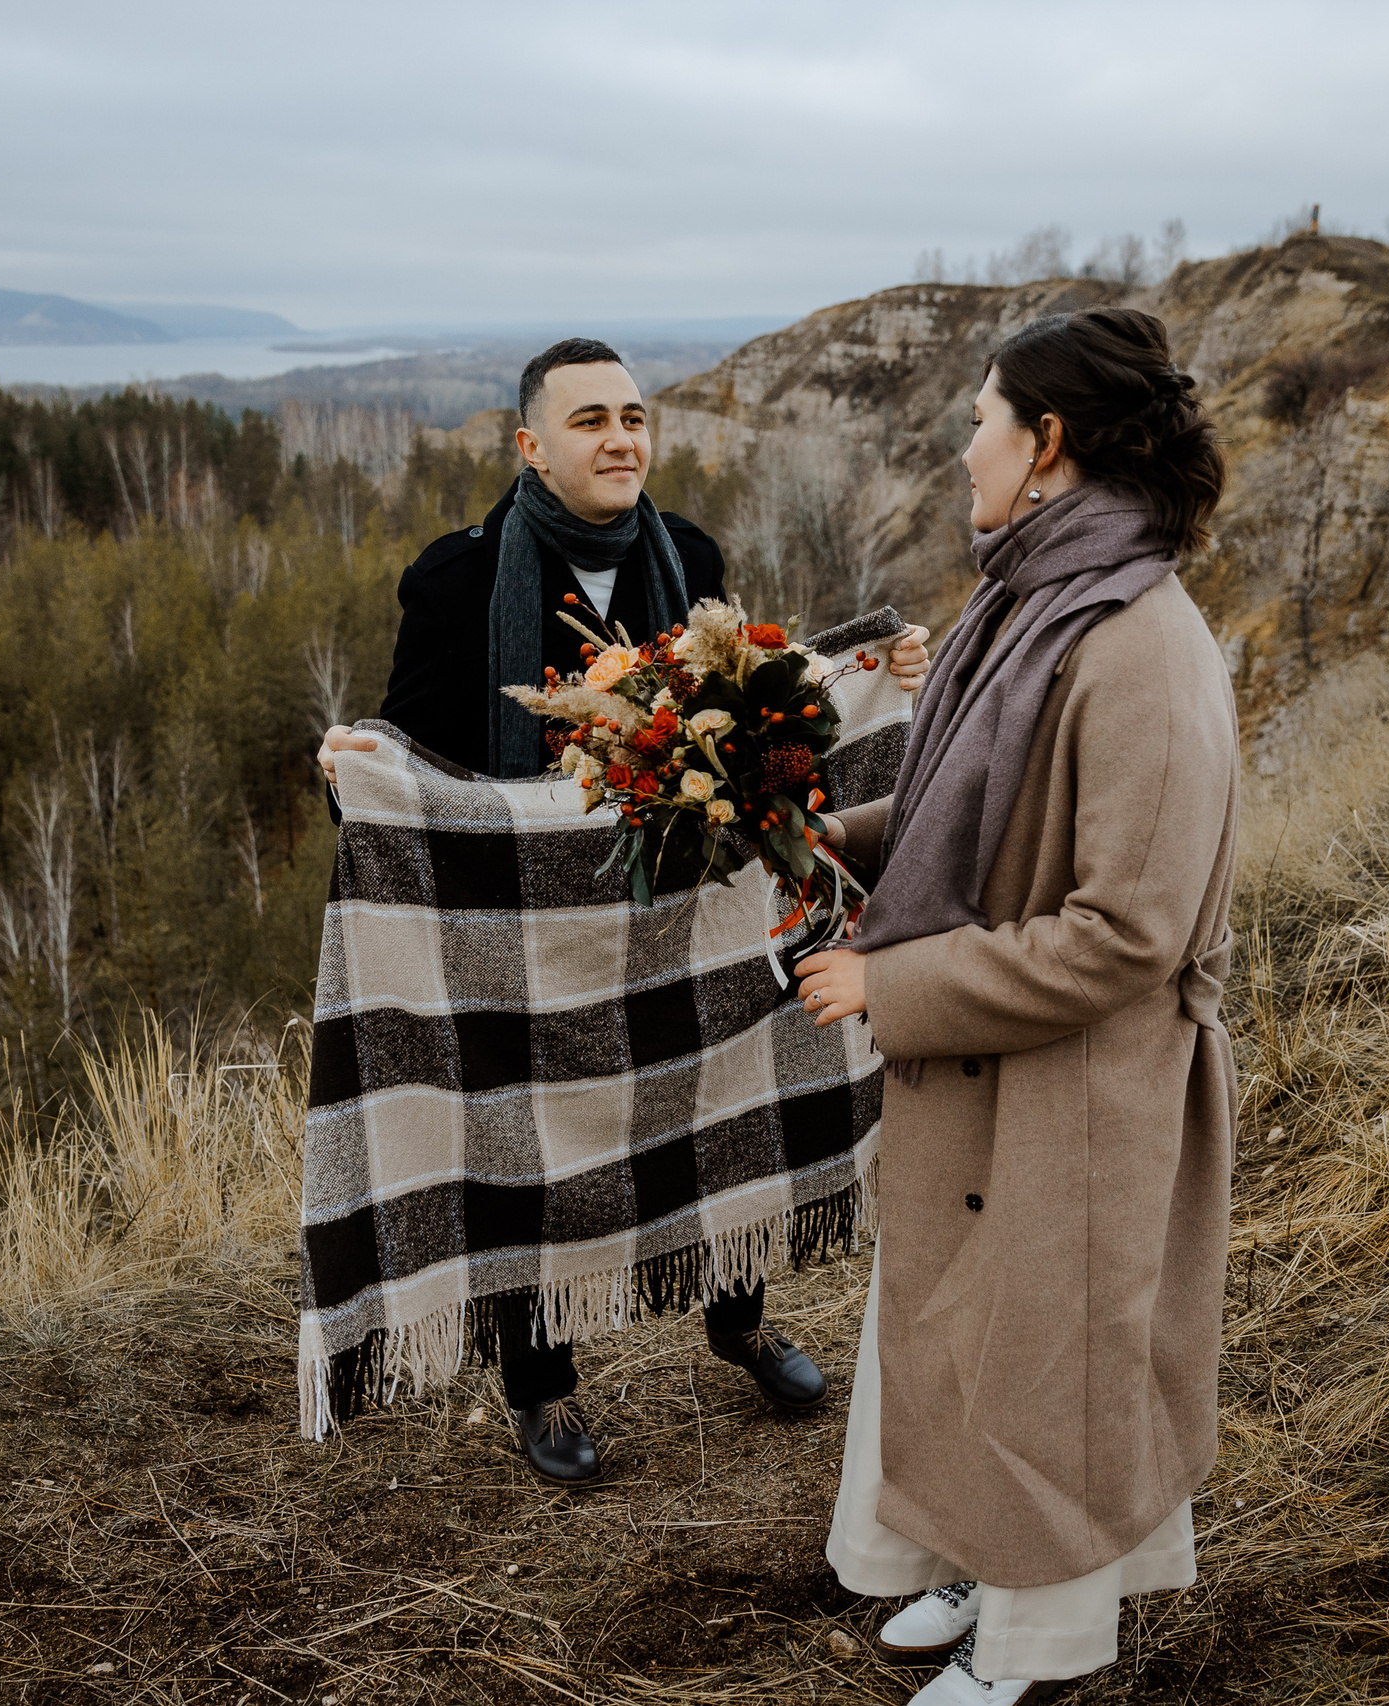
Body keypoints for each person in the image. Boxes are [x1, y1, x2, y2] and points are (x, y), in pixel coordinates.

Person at [315, 337, 930, 1485]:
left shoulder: (688, 553)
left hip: (681, 910)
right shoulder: (453, 579)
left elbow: (760, 701)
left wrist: (879, 663)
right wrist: (350, 759)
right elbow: (411, 744)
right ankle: (540, 1387)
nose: (620, 439)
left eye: (635, 416)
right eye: (590, 419)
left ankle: (736, 1314)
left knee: (719, 1097)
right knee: (531, 1138)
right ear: (530, 446)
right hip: (532, 930)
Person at [793, 306, 1237, 1703]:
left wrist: (888, 980)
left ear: (1048, 446)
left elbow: (1126, 933)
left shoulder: (1138, 643)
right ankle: (981, 1573)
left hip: (1081, 1089)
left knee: (1055, 1369)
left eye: (981, 418)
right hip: (997, 1071)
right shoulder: (1026, 601)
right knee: (978, 1340)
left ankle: (1031, 1648)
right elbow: (966, 811)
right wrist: (840, 839)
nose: (961, 446)